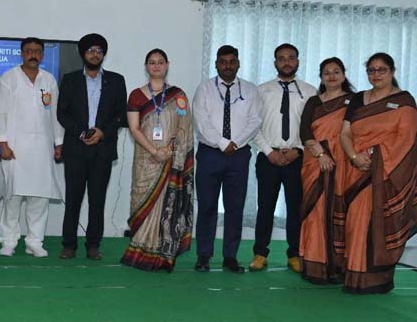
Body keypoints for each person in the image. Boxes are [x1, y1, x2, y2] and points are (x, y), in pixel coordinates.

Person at [336, 52, 416, 294]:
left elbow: (407, 141)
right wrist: (354, 157)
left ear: (392, 71)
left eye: (381, 70)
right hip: (355, 170)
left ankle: (374, 280)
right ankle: (355, 274)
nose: (376, 74)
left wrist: (374, 157)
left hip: (385, 174)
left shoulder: (404, 103)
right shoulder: (359, 99)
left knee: (370, 221)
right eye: (371, 70)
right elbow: (344, 133)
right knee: (353, 222)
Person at [120, 49, 194, 272]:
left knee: (167, 206)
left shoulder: (178, 95)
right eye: (152, 63)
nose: (156, 66)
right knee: (142, 200)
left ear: (167, 65)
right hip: (145, 158)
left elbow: (185, 125)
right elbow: (133, 128)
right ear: (146, 66)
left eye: (160, 62)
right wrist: (153, 150)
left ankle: (164, 253)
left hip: (171, 157)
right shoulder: (136, 95)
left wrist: (170, 149)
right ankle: (141, 250)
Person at [0, 37, 64, 257]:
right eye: (29, 51)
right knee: (13, 197)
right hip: (15, 147)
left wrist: (59, 143)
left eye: (38, 51)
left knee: (39, 197)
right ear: (22, 53)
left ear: (42, 55)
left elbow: (55, 115)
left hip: (42, 147)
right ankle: (9, 242)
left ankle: (35, 242)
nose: (33, 54)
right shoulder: (9, 78)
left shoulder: (49, 80)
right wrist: (2, 143)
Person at [57, 33, 127, 260]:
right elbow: (62, 113)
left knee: (97, 201)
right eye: (90, 50)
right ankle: (69, 245)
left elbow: (121, 114)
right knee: (73, 199)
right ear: (82, 54)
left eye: (99, 51)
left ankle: (93, 245)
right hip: (76, 149)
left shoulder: (116, 81)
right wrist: (80, 132)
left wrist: (102, 132)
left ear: (103, 55)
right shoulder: (70, 80)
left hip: (102, 149)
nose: (95, 54)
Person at [192, 45, 262, 273]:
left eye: (232, 61)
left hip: (239, 155)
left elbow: (255, 121)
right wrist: (223, 143)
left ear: (238, 64)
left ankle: (230, 257)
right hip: (210, 153)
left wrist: (236, 143)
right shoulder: (204, 89)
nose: (228, 66)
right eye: (223, 62)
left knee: (235, 207)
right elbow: (201, 121)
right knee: (207, 205)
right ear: (216, 64)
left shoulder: (250, 90)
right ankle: (204, 254)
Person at [250, 44, 317, 272]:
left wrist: (298, 150)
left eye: (291, 58)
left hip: (298, 157)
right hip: (268, 158)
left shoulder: (310, 91)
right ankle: (260, 253)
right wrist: (269, 151)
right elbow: (253, 126)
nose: (286, 62)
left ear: (298, 61)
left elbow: (313, 127)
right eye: (281, 58)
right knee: (265, 207)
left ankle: (295, 254)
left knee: (295, 207)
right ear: (274, 62)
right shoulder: (261, 91)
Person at [299, 57, 354, 284]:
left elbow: (358, 130)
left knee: (340, 212)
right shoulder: (313, 102)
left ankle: (339, 267)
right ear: (320, 77)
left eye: (336, 72)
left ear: (343, 74)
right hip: (315, 162)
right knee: (316, 212)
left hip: (344, 163)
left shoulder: (354, 100)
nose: (331, 76)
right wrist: (321, 154)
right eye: (326, 73)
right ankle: (316, 265)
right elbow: (305, 132)